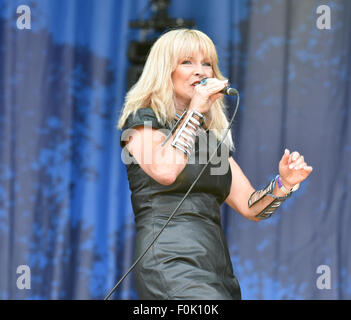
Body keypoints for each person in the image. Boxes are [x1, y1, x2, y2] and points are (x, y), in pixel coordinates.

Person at [117, 29, 312, 300]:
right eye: (187, 62)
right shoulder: (143, 122)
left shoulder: (209, 139)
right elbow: (165, 171)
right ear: (165, 70)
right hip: (169, 261)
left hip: (216, 267)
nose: (200, 71)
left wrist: (284, 184)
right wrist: (196, 109)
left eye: (206, 63)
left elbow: (250, 207)